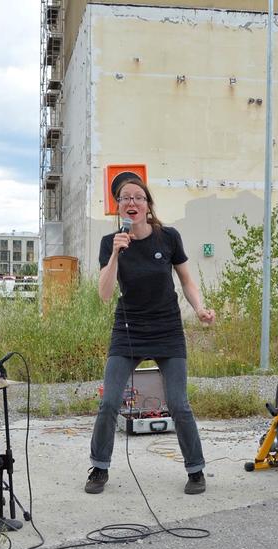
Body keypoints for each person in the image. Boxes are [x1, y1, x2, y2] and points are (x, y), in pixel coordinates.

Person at [85, 177, 215, 495]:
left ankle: (195, 470)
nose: (132, 202)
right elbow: (104, 294)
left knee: (179, 404)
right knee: (109, 402)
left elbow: (186, 280)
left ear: (148, 204)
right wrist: (116, 254)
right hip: (128, 330)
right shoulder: (110, 242)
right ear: (118, 206)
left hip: (167, 328)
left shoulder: (168, 237)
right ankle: (99, 467)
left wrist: (199, 308)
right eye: (125, 198)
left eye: (138, 197)